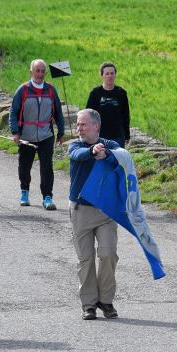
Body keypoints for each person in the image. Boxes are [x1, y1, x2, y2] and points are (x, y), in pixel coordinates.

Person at [68, 109, 122, 320]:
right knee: (86, 259)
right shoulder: (76, 145)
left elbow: (121, 156)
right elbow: (77, 155)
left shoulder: (110, 144)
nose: (79, 128)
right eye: (79, 125)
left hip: (106, 211)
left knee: (108, 253)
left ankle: (106, 300)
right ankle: (89, 304)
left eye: (84, 125)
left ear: (96, 126)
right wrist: (91, 152)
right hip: (81, 210)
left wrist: (106, 154)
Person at [9, 59, 65, 210]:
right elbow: (13, 112)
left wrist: (61, 131)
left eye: (42, 71)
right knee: (24, 166)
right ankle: (24, 192)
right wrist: (15, 132)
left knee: (47, 166)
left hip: (46, 135)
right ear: (31, 72)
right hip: (26, 136)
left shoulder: (51, 90)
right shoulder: (23, 90)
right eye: (37, 70)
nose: (40, 74)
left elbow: (58, 112)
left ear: (45, 73)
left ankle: (47, 197)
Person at [85, 62, 131, 148]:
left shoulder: (121, 93)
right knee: (101, 159)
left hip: (118, 135)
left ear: (115, 75)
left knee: (117, 160)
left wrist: (127, 134)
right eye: (107, 74)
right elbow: (88, 115)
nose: (110, 76)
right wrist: (88, 133)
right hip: (99, 135)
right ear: (102, 75)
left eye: (112, 73)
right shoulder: (95, 93)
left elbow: (126, 115)